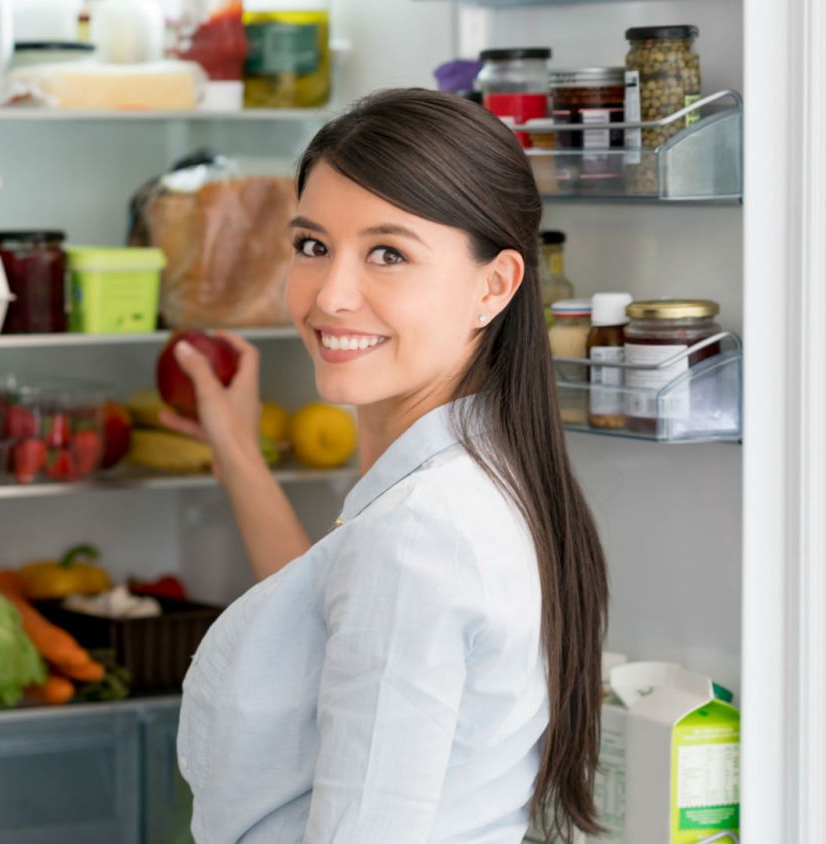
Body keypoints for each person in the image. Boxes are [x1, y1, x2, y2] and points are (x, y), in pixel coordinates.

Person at [165, 89, 609, 843]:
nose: (330, 295)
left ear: (493, 286)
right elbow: (327, 614)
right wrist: (237, 450)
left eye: (389, 254)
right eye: (312, 246)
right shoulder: (476, 475)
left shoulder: (419, 533)